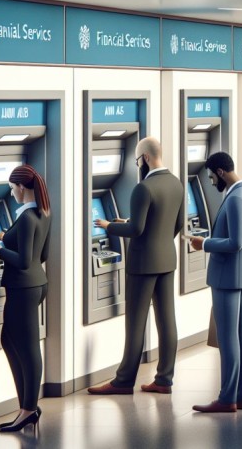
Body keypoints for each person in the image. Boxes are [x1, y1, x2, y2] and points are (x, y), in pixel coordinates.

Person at [89, 137, 184, 396]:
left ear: (145, 158)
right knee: (167, 321)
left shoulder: (143, 188)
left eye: (136, 161)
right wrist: (152, 235)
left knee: (135, 324)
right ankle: (164, 379)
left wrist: (109, 226)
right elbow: (175, 224)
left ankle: (123, 381)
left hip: (143, 263)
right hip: (167, 260)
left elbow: (136, 230)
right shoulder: (176, 183)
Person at [189, 152, 242, 413]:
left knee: (227, 338)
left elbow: (235, 242)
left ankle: (227, 398)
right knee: (241, 336)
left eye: (211, 177)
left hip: (226, 277)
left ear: (220, 172)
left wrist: (204, 243)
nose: (211, 182)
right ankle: (241, 395)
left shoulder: (235, 198)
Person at [0, 165, 51, 432]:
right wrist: (9, 239)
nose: (12, 192)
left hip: (23, 288)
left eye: (12, 188)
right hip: (35, 284)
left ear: (22, 187)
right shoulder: (43, 212)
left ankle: (28, 410)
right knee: (10, 340)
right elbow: (42, 254)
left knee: (27, 348)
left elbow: (25, 262)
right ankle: (26, 406)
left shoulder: (26, 217)